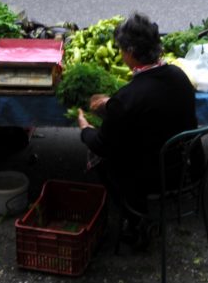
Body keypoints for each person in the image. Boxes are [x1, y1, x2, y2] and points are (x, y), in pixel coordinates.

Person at [76, 13, 198, 249]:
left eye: (122, 49)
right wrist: (112, 103)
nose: (121, 54)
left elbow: (101, 143)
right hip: (183, 168)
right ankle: (139, 215)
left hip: (148, 176)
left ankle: (135, 217)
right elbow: (149, 101)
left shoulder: (128, 98)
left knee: (96, 155)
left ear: (130, 52)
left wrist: (84, 128)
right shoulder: (179, 76)